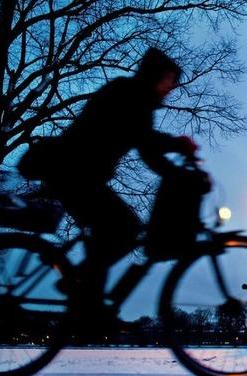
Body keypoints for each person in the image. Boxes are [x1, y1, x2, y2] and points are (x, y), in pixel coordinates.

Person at [18, 48, 200, 331]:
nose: (171, 87)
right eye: (169, 80)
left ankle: (82, 289)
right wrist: (179, 148)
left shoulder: (136, 98)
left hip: (78, 173)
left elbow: (148, 152)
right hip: (73, 172)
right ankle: (82, 292)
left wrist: (179, 171)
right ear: (156, 75)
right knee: (124, 229)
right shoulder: (129, 95)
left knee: (116, 231)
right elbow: (146, 142)